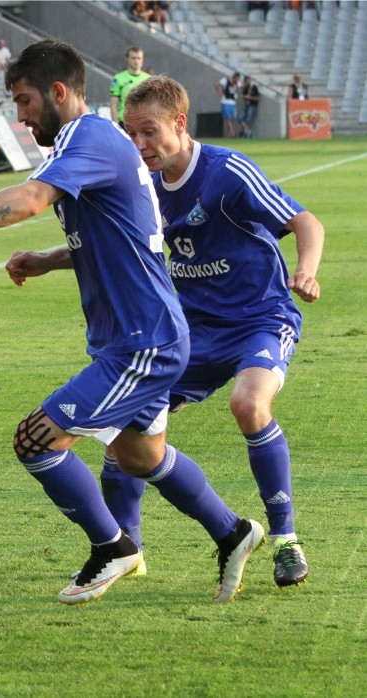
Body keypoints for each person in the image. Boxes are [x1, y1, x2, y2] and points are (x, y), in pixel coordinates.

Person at [0, 39, 263, 606]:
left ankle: (112, 547)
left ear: (59, 92)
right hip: (144, 333)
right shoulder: (91, 142)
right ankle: (233, 532)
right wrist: (50, 258)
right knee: (140, 455)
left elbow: (33, 198)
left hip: (143, 342)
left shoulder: (88, 137)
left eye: (25, 100)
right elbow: (121, 234)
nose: (19, 115)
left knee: (35, 440)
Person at [113, 75, 323, 588]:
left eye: (149, 132)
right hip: (191, 331)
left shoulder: (227, 172)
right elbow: (118, 249)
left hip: (260, 318)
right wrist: (47, 260)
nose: (140, 145)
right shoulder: (141, 185)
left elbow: (304, 220)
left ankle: (285, 541)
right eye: (130, 134)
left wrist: (307, 270)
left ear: (179, 124)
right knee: (123, 430)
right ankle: (123, 548)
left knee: (249, 405)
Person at [109, 46, 149, 128]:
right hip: (124, 124)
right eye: (133, 58)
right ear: (127, 59)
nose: (136, 61)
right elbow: (113, 105)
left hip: (143, 123)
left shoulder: (149, 79)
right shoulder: (118, 78)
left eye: (139, 58)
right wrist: (115, 126)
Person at [215, 72, 241, 138]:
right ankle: (232, 133)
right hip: (226, 101)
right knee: (228, 118)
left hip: (233, 102)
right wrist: (220, 93)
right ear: (234, 77)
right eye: (236, 78)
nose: (237, 80)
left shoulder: (237, 83)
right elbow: (216, 84)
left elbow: (243, 84)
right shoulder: (225, 80)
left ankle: (228, 134)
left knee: (231, 118)